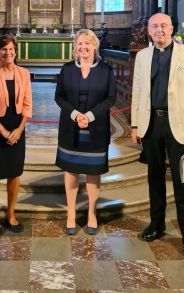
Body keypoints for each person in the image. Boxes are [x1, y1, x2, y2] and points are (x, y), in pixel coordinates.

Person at [131, 13, 184, 261]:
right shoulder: (142, 56)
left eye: (163, 25)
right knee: (154, 177)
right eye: (154, 26)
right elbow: (137, 92)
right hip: (151, 123)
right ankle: (157, 224)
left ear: (171, 28)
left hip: (180, 125)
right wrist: (134, 125)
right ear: (149, 31)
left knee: (182, 181)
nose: (159, 30)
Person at [55, 29, 116, 235]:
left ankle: (91, 212)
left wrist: (89, 116)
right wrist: (75, 115)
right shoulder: (67, 69)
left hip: (95, 128)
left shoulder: (106, 70)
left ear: (95, 46)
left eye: (87, 43)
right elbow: (60, 97)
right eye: (80, 43)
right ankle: (71, 213)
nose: (83, 47)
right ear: (75, 47)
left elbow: (110, 99)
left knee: (92, 173)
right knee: (71, 171)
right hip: (70, 127)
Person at [0, 35, 32, 236]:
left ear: (16, 51)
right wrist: (3, 132)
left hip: (17, 128)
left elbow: (27, 104)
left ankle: (11, 213)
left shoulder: (24, 73)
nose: (8, 52)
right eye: (3, 49)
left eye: (11, 49)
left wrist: (18, 131)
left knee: (14, 173)